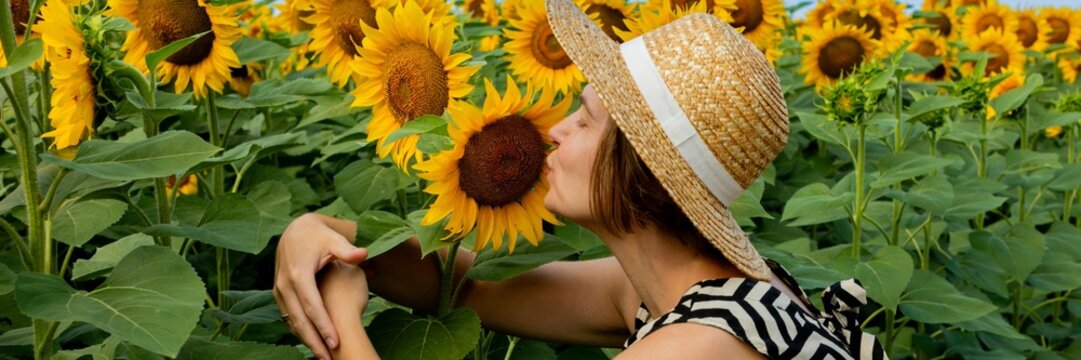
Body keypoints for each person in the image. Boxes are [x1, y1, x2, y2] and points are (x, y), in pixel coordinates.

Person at [274, 0, 888, 358]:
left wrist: (344, 327)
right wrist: (316, 231)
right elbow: (467, 291)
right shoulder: (671, 292)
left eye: (587, 120)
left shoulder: (701, 346)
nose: (556, 132)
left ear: (644, 169)